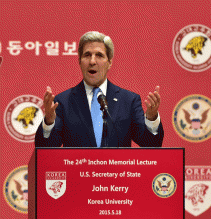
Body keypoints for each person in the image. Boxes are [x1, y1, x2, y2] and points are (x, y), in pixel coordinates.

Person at [35, 31, 164, 147]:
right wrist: (49, 123)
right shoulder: (63, 101)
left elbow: (150, 144)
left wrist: (152, 119)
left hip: (118, 173)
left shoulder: (128, 100)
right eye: (87, 55)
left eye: (99, 55)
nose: (92, 61)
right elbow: (46, 149)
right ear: (79, 61)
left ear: (110, 62)